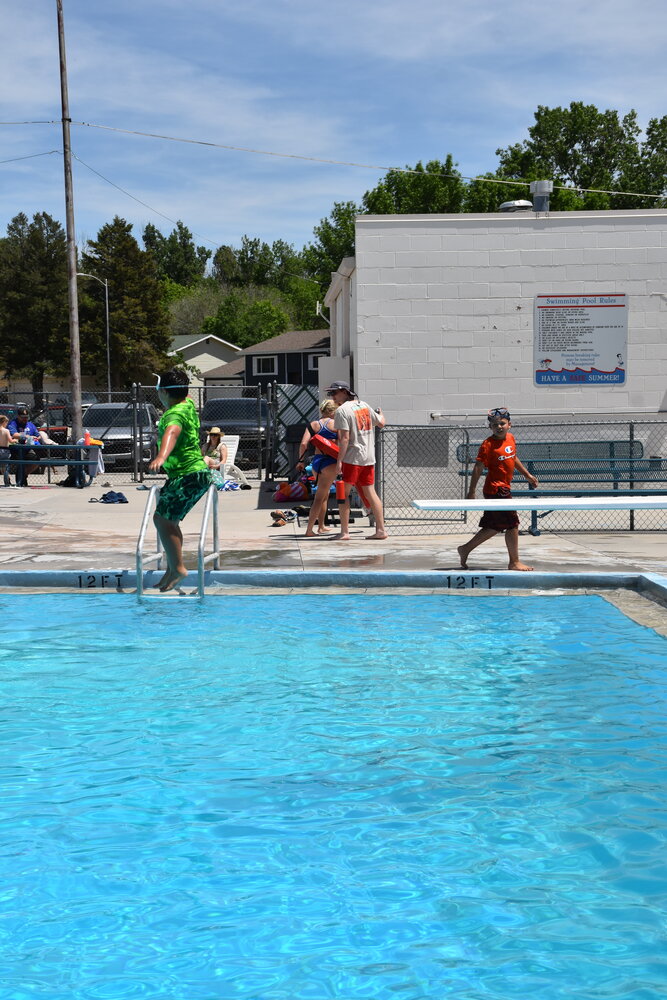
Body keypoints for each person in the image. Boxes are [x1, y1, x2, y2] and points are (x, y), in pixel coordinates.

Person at [148, 369, 212, 592]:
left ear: (163, 392)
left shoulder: (173, 414)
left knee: (162, 521)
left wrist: (161, 456)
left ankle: (179, 568)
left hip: (188, 475)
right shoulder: (187, 405)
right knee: (168, 521)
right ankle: (173, 567)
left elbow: (172, 433)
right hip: (191, 475)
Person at [457, 406, 539, 572]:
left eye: (502, 423)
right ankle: (514, 562)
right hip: (496, 490)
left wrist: (527, 475)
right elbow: (478, 467)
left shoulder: (510, 438)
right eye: (495, 424)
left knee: (494, 526)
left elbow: (513, 457)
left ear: (509, 424)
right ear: (490, 427)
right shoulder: (487, 445)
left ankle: (465, 549)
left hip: (503, 488)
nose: (499, 426)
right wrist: (472, 491)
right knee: (512, 524)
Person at [327, 380, 388, 541]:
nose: (332, 396)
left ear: (345, 392)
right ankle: (381, 530)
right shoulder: (364, 405)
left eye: (334, 392)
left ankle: (344, 532)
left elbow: (344, 438)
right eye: (330, 393)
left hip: (352, 458)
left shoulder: (342, 411)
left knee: (343, 495)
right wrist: (381, 413)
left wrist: (339, 461)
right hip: (368, 457)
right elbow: (381, 423)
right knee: (371, 493)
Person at [296, 398, 339, 536]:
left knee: (324, 494)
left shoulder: (313, 425)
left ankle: (321, 526)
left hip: (317, 461)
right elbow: (343, 443)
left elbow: (303, 444)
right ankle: (309, 530)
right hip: (330, 462)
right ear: (333, 411)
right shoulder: (336, 425)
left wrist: (301, 461)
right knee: (320, 497)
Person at [7, 405, 41, 484]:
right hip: (16, 450)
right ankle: (20, 479)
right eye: (23, 417)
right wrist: (26, 436)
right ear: (18, 416)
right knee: (20, 461)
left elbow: (38, 435)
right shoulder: (13, 423)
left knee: (36, 461)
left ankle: (23, 475)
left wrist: (35, 438)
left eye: (26, 417)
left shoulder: (30, 424)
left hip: (29, 449)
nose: (25, 419)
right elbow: (14, 435)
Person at [0, 415, 12, 482]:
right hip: (4, 450)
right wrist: (15, 440)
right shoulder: (6, 431)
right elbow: (10, 440)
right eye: (6, 423)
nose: (6, 424)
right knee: (6, 467)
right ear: (3, 422)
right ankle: (7, 481)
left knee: (2, 467)